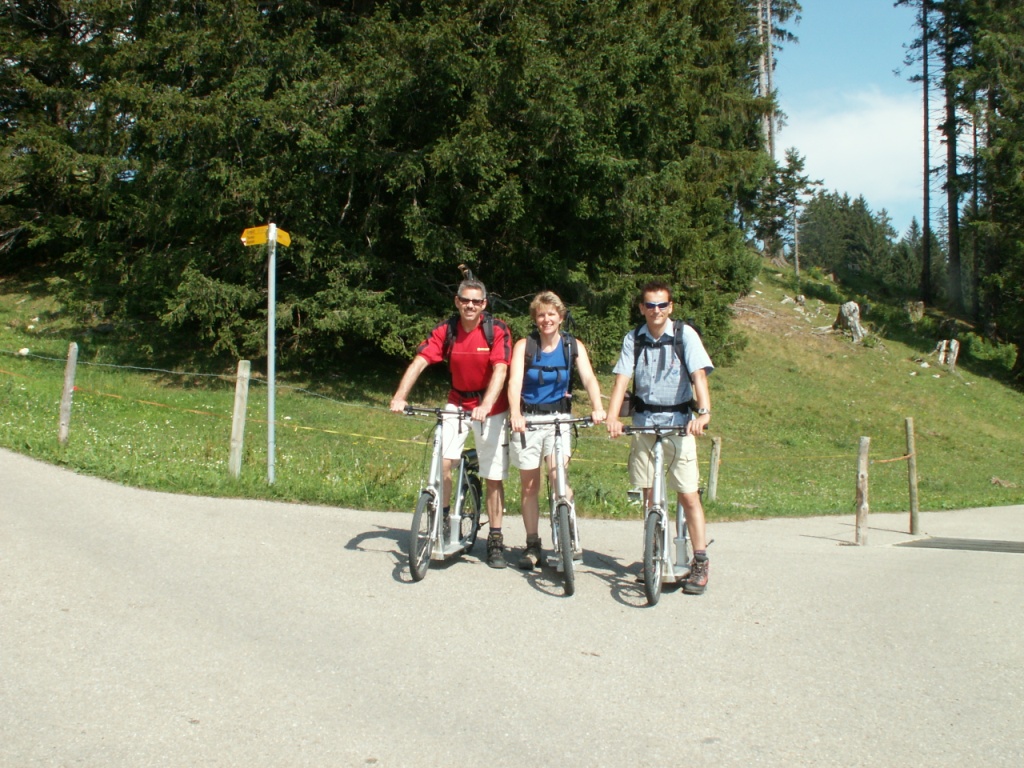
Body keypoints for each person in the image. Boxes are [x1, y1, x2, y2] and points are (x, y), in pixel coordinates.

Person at [390, 278, 513, 568]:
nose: (470, 305)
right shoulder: (447, 330)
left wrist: (485, 405)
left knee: (493, 475)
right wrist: (399, 396)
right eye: (464, 300)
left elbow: (501, 369)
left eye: (476, 301)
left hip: (490, 407)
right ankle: (443, 517)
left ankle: (495, 538)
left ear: (484, 304)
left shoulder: (495, 329)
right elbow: (420, 360)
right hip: (457, 401)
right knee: (443, 462)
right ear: (457, 301)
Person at [605, 280, 714, 595]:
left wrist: (704, 414)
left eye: (662, 305)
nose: (656, 311)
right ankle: (654, 556)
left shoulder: (684, 335)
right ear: (642, 308)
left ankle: (700, 560)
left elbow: (699, 376)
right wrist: (613, 417)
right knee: (650, 495)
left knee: (688, 494)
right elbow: (622, 380)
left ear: (671, 307)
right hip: (644, 423)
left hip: (679, 422)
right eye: (650, 305)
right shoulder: (634, 339)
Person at [507, 292, 606, 570]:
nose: (546, 319)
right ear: (535, 319)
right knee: (529, 486)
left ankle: (567, 530)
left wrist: (598, 407)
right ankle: (532, 544)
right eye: (541, 314)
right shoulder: (525, 346)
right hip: (528, 420)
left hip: (560, 419)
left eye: (552, 314)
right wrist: (515, 414)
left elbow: (588, 377)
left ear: (561, 317)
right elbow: (514, 382)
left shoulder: (572, 345)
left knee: (557, 476)